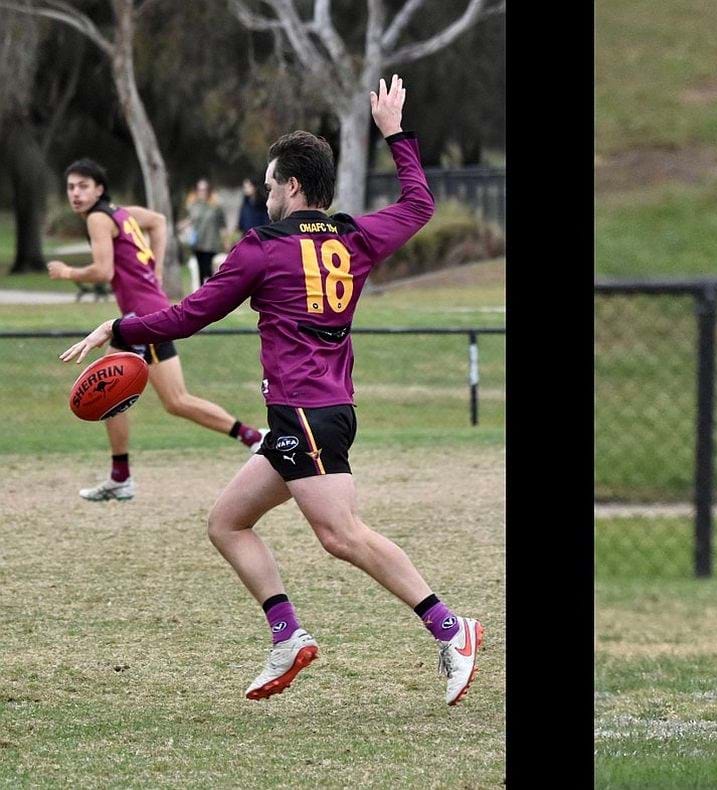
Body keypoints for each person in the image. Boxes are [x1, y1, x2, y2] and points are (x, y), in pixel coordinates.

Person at [59, 74, 483, 706]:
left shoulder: (261, 250)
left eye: (268, 182)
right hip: (312, 414)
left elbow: (187, 317)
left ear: (290, 185)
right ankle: (288, 636)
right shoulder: (355, 237)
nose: (264, 193)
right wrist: (396, 134)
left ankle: (453, 630)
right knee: (228, 523)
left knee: (342, 536)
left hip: (309, 417)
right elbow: (420, 205)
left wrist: (116, 326)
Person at [47, 160, 264, 502]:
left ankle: (121, 477)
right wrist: (157, 268)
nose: (75, 193)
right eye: (71, 187)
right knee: (176, 400)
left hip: (139, 318)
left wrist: (67, 272)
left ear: (99, 190)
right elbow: (159, 222)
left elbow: (104, 271)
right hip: (153, 312)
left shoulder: (98, 218)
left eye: (83, 186)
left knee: (105, 391)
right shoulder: (122, 213)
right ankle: (253, 437)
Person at [181, 178, 226, 284]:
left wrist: (225, 241)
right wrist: (182, 226)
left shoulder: (215, 206)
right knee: (200, 271)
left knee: (210, 270)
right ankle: (202, 294)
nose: (202, 192)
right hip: (198, 243)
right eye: (200, 189)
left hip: (211, 243)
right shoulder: (193, 205)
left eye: (204, 189)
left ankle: (212, 292)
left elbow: (222, 225)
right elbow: (191, 220)